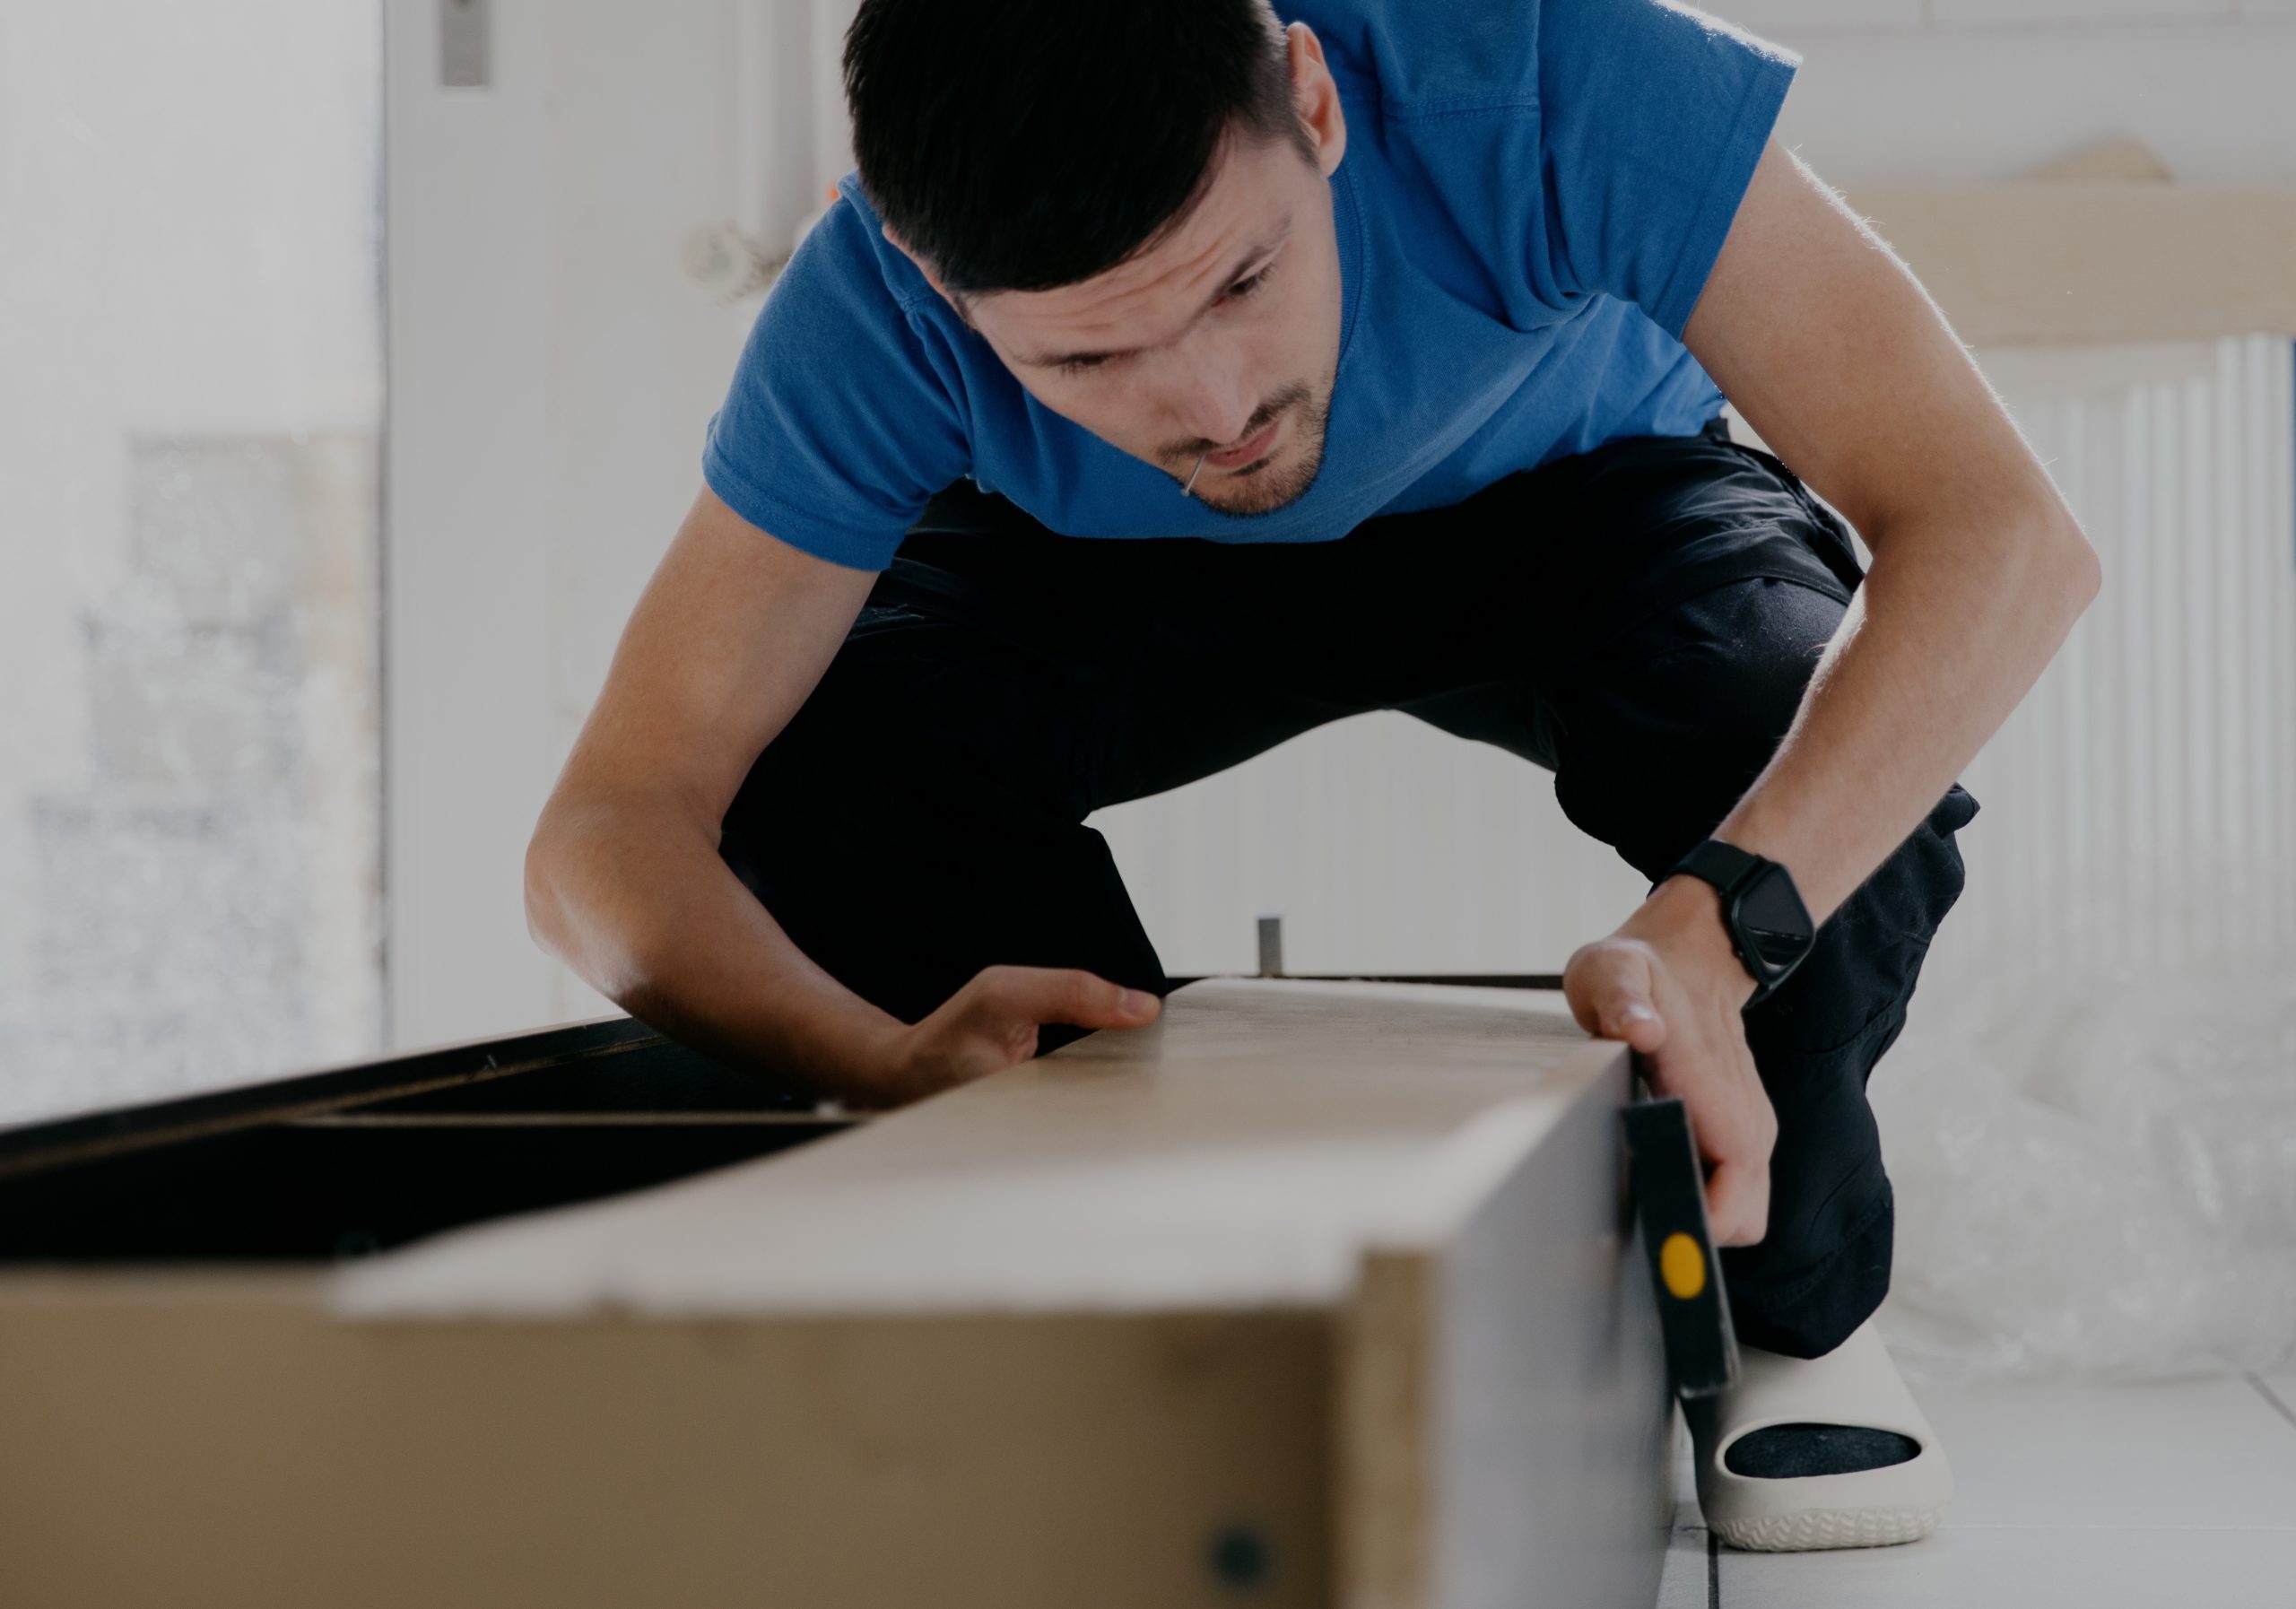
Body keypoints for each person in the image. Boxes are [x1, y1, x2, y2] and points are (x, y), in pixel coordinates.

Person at [523, 0, 2100, 1552]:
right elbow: (611, 830)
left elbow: (2003, 534)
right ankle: (1104, 1262)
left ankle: (1795, 1313)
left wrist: (1719, 922)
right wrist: (879, 1064)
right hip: (1112, 557)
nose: (1211, 405)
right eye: (1090, 354)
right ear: (938, 283)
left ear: (1318, 102)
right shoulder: (872, 301)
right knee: (819, 774)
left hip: (1586, 488)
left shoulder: (1548, 65)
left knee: (1797, 740)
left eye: (1241, 280)